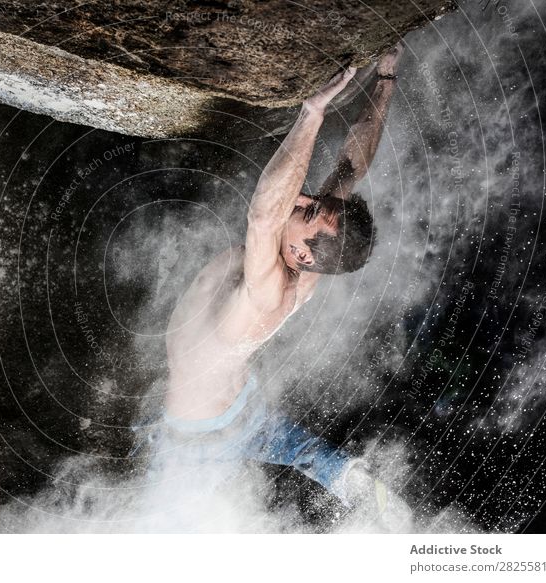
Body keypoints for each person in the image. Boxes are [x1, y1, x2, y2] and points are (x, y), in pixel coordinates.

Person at [130, 44, 412, 531]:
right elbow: (351, 166)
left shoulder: (269, 288)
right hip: (244, 411)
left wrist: (313, 112)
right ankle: (355, 484)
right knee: (296, 449)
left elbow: (262, 215)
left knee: (157, 533)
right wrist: (385, 80)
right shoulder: (316, 258)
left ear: (302, 256)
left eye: (303, 212)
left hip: (199, 443)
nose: (298, 199)